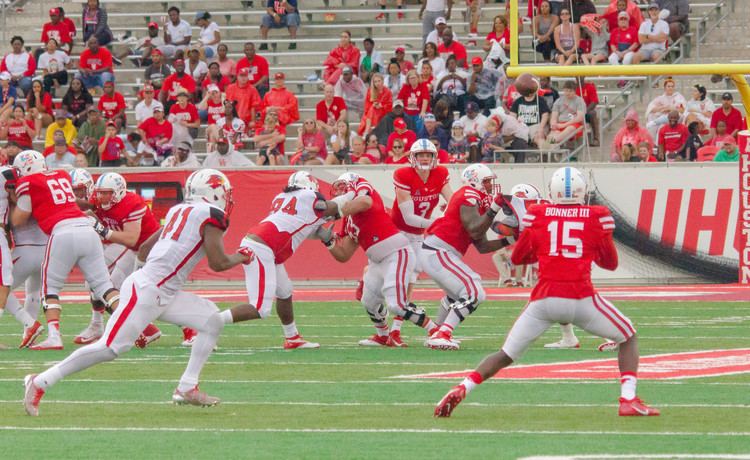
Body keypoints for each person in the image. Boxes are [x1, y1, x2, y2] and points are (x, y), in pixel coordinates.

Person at [434, 166, 660, 418]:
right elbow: (610, 264)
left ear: (552, 192)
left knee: (506, 354)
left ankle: (462, 387)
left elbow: (519, 257)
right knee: (627, 337)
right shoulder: (596, 215)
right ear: (582, 192)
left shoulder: (539, 214)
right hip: (580, 297)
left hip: (543, 300)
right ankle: (628, 399)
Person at [23, 170, 252, 415]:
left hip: (159, 290)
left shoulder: (177, 210)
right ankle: (40, 381)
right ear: (214, 192)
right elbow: (218, 263)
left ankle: (187, 387)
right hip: (150, 290)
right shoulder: (212, 215)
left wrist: (146, 278)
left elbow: (143, 249)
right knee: (110, 348)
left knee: (212, 320)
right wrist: (244, 255)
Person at [12, 151, 120, 351]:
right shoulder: (61, 175)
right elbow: (65, 201)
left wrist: (12, 202)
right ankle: (127, 328)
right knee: (104, 286)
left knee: (50, 288)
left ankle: (54, 336)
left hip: (62, 232)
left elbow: (19, 219)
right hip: (87, 229)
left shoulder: (29, 183)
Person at [229, 171, 346, 348]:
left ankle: (292, 337)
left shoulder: (282, 197)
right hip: (262, 248)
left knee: (284, 291)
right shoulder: (309, 196)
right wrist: (355, 194)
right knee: (259, 308)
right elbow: (334, 208)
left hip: (265, 246)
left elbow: (299, 227)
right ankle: (209, 322)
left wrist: (321, 234)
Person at [324, 173, 438, 346]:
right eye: (337, 188)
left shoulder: (364, 193)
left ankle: (437, 331)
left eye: (343, 187)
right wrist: (328, 241)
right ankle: (383, 335)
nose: (339, 192)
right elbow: (344, 255)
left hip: (396, 253)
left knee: (396, 305)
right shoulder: (348, 218)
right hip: (378, 261)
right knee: (368, 301)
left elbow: (364, 202)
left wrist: (337, 212)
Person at [71, 172, 167, 346]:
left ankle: (187, 329)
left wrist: (102, 229)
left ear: (119, 191)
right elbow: (86, 205)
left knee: (148, 293)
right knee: (104, 287)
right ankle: (141, 329)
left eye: (107, 193)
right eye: (100, 192)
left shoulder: (132, 203)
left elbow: (130, 238)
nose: (102, 197)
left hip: (149, 251)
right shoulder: (97, 199)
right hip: (133, 250)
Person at [422, 164, 509, 350]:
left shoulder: (476, 200)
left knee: (456, 296)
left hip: (437, 251)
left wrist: (510, 239)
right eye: (486, 182)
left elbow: (482, 245)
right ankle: (443, 333)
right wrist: (493, 209)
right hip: (438, 250)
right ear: (474, 181)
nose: (490, 186)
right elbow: (474, 228)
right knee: (474, 291)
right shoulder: (468, 194)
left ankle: (437, 331)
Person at [386, 140, 453, 346]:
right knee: (394, 280)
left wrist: (450, 211)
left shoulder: (440, 174)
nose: (425, 158)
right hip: (397, 231)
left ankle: (394, 331)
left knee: (411, 277)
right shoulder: (403, 175)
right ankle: (386, 330)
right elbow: (408, 217)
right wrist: (438, 221)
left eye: (428, 155)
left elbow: (452, 200)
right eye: (421, 154)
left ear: (434, 157)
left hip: (418, 235)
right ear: (412, 157)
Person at [547, 81, 586, 146]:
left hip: (574, 124)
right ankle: (551, 146)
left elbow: (580, 118)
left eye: (570, 91)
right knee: (552, 134)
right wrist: (553, 123)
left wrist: (564, 125)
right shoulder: (559, 101)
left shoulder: (579, 101)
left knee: (569, 129)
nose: (568, 93)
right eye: (566, 91)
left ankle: (550, 144)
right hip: (560, 123)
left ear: (574, 91)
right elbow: (554, 115)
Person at [576, 76, 601, 146]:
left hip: (586, 112)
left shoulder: (590, 87)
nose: (579, 78)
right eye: (577, 76)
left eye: (581, 76)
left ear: (583, 77)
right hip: (574, 112)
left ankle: (596, 139)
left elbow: (594, 102)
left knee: (593, 113)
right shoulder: (573, 88)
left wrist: (584, 111)